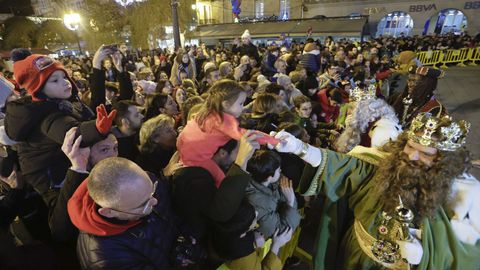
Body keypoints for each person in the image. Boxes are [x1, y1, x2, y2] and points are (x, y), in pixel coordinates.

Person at [270, 112, 480, 269]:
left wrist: (421, 255)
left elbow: (460, 255)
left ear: (443, 161)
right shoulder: (381, 168)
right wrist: (299, 148)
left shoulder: (458, 197)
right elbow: (343, 166)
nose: (411, 156)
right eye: (409, 146)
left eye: (424, 153)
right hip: (355, 254)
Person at [4, 49, 116, 240]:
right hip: (51, 179)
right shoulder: (47, 116)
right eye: (54, 81)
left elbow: (92, 109)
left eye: (63, 77)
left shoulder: (62, 103)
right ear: (39, 88)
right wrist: (97, 130)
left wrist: (97, 69)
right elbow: (72, 133)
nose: (64, 82)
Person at [68, 157, 176, 270]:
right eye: (143, 205)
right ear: (108, 212)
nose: (155, 201)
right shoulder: (107, 259)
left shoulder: (142, 185)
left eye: (153, 191)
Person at [176, 79, 279, 188]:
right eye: (240, 103)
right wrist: (273, 140)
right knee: (222, 179)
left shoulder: (207, 112)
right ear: (226, 104)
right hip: (197, 159)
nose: (242, 107)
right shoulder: (222, 120)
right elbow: (246, 135)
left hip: (183, 150)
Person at [212, 200, 294, 270]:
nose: (256, 213)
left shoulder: (225, 226)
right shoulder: (245, 261)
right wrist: (275, 246)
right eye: (253, 219)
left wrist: (253, 242)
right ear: (243, 233)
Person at [245, 150, 301, 238]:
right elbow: (282, 231)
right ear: (269, 177)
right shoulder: (257, 202)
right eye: (278, 170)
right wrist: (290, 202)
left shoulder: (272, 180)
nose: (281, 171)